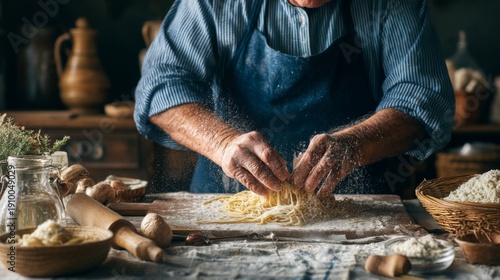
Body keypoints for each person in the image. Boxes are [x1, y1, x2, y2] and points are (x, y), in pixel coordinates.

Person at [134, 0, 455, 197]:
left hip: (358, 216)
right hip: (223, 213)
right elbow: (162, 85)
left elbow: (421, 97)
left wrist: (354, 144)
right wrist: (221, 142)